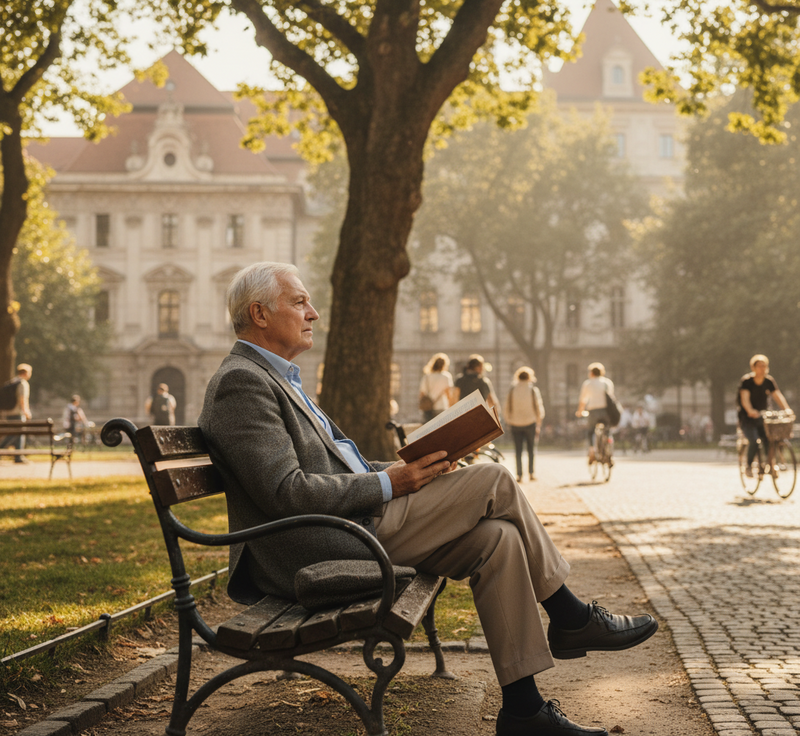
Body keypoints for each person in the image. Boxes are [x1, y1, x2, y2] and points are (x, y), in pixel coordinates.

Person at [198, 262, 658, 736]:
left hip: (353, 524)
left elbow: (340, 468)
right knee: (494, 480)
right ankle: (570, 616)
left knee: (498, 539)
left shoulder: (278, 377)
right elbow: (286, 492)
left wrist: (416, 468)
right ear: (260, 314)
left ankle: (524, 711)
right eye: (299, 302)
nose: (313, 313)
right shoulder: (243, 383)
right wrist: (392, 483)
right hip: (324, 545)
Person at [737, 354, 791, 475]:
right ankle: (749, 466)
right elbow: (744, 399)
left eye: (764, 366)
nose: (762, 368)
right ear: (753, 368)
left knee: (769, 440)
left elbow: (777, 396)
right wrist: (750, 411)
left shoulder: (768, 381)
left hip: (763, 417)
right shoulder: (747, 381)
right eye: (759, 366)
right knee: (754, 441)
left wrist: (787, 409)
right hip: (748, 418)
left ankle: (770, 464)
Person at [504, 366, 545, 482]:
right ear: (530, 377)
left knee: (518, 450)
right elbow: (538, 407)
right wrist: (539, 422)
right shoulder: (532, 390)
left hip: (515, 423)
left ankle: (519, 474)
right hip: (530, 422)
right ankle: (531, 473)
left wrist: (508, 420)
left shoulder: (512, 389)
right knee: (531, 449)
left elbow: (506, 406)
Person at [575, 363, 614, 465]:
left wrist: (580, 412)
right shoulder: (607, 383)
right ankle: (609, 450)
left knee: (591, 431)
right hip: (606, 411)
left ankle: (592, 452)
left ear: (591, 373)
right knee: (607, 430)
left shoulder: (588, 384)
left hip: (593, 411)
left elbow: (583, 400)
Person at [0, 363, 32, 463]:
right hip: (17, 412)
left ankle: (18, 456)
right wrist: (26, 411)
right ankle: (17, 455)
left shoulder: (12, 382)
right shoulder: (23, 383)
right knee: (17, 434)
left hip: (7, 412)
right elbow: (22, 399)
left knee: (15, 434)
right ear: (26, 373)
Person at [418, 353, 454, 423]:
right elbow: (448, 393)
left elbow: (422, 393)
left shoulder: (427, 377)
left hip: (428, 408)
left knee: (429, 427)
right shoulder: (446, 376)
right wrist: (451, 406)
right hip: (442, 406)